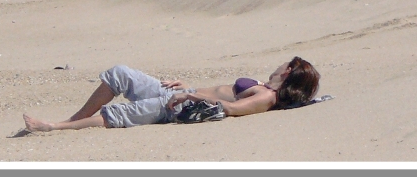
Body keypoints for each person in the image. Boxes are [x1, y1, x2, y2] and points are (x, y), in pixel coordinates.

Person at [21, 57, 320, 132]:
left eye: (286, 62)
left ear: (288, 71)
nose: (280, 63)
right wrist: (188, 87)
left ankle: (53, 127)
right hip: (183, 93)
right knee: (119, 73)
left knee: (115, 116)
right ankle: (73, 119)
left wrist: (191, 98)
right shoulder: (265, 88)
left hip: (177, 105)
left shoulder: (267, 97)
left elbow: (234, 108)